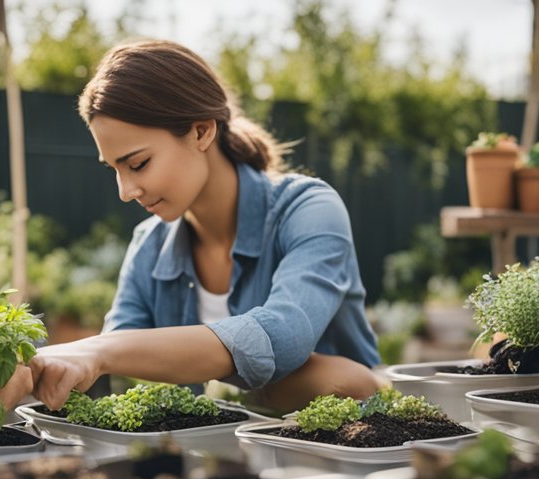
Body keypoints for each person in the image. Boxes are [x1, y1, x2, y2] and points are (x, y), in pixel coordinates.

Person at [28, 40, 382, 413]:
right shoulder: (149, 246)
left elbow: (284, 337)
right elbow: (121, 350)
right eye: (114, 170)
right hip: (220, 457)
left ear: (201, 132)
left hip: (352, 441)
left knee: (339, 378)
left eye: (138, 164)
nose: (125, 191)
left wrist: (100, 350)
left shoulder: (307, 209)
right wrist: (28, 367)